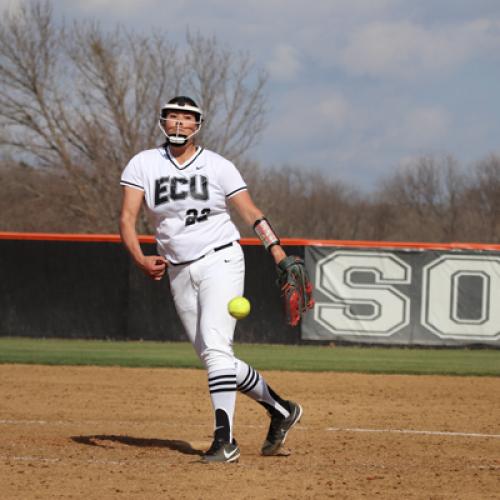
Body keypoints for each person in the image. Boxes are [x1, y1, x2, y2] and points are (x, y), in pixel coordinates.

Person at [119, 96, 302, 463]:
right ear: (162, 122)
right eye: (173, 117)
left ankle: (225, 440)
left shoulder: (219, 166)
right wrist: (139, 258)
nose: (179, 124)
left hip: (222, 259)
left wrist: (278, 251)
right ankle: (281, 410)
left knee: (217, 350)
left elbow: (250, 211)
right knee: (214, 357)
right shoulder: (144, 164)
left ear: (197, 126)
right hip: (178, 269)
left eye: (187, 119)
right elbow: (127, 217)